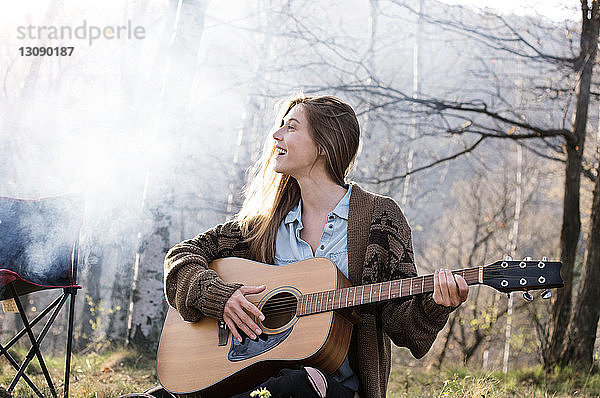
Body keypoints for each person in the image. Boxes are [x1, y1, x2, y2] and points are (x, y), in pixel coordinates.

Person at [163, 95, 469, 398]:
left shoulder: (380, 218)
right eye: (280, 126)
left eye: (291, 128)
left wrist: (435, 305)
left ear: (323, 146)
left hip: (333, 391)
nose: (276, 135)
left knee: (301, 384)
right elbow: (181, 257)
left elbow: (401, 325)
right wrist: (220, 297)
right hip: (253, 381)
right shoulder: (264, 226)